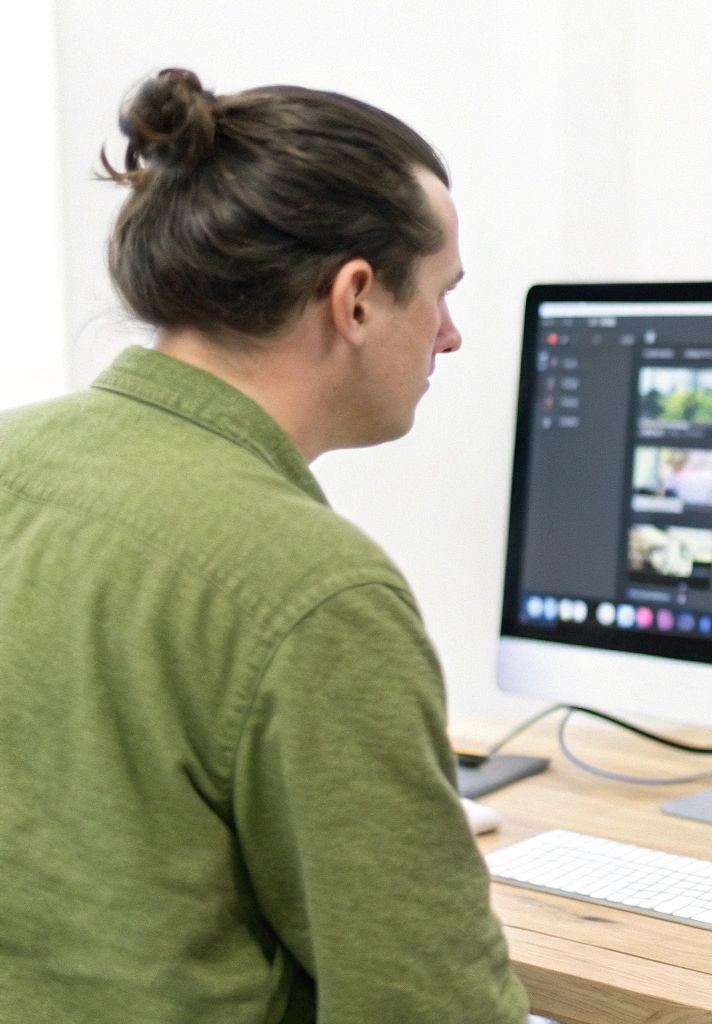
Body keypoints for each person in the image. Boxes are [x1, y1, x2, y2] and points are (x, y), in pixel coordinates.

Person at [0, 70, 531, 1021]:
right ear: (357, 298)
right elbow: (424, 1005)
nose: (450, 337)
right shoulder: (316, 591)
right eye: (443, 295)